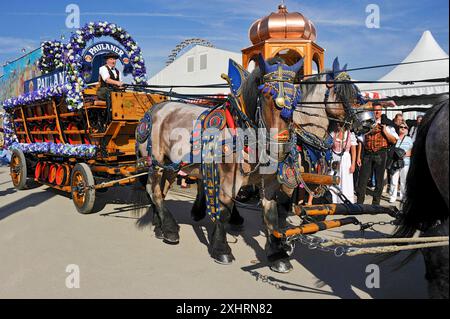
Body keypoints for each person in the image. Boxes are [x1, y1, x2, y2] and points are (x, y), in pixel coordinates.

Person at [356, 103, 399, 205]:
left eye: (379, 110)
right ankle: (359, 203)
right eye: (375, 110)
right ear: (372, 111)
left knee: (379, 181)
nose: (377, 112)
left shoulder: (387, 124)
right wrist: (358, 157)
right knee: (362, 179)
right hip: (367, 153)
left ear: (381, 111)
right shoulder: (366, 123)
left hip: (381, 153)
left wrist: (385, 131)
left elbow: (393, 140)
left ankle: (375, 204)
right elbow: (361, 140)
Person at [330, 122, 358, 203]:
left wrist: (353, 164)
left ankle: (345, 201)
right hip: (335, 158)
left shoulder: (350, 134)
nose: (338, 125)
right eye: (338, 124)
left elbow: (353, 150)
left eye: (340, 124)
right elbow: (329, 147)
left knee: (346, 180)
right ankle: (334, 199)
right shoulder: (333, 133)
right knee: (334, 178)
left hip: (345, 159)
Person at [389, 121, 413, 203]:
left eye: (405, 127)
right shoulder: (395, 138)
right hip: (395, 162)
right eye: (401, 127)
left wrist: (402, 155)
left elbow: (411, 151)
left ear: (407, 129)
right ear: (398, 128)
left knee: (404, 181)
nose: (403, 128)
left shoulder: (409, 139)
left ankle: (403, 197)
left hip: (405, 162)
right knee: (393, 180)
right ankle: (393, 196)